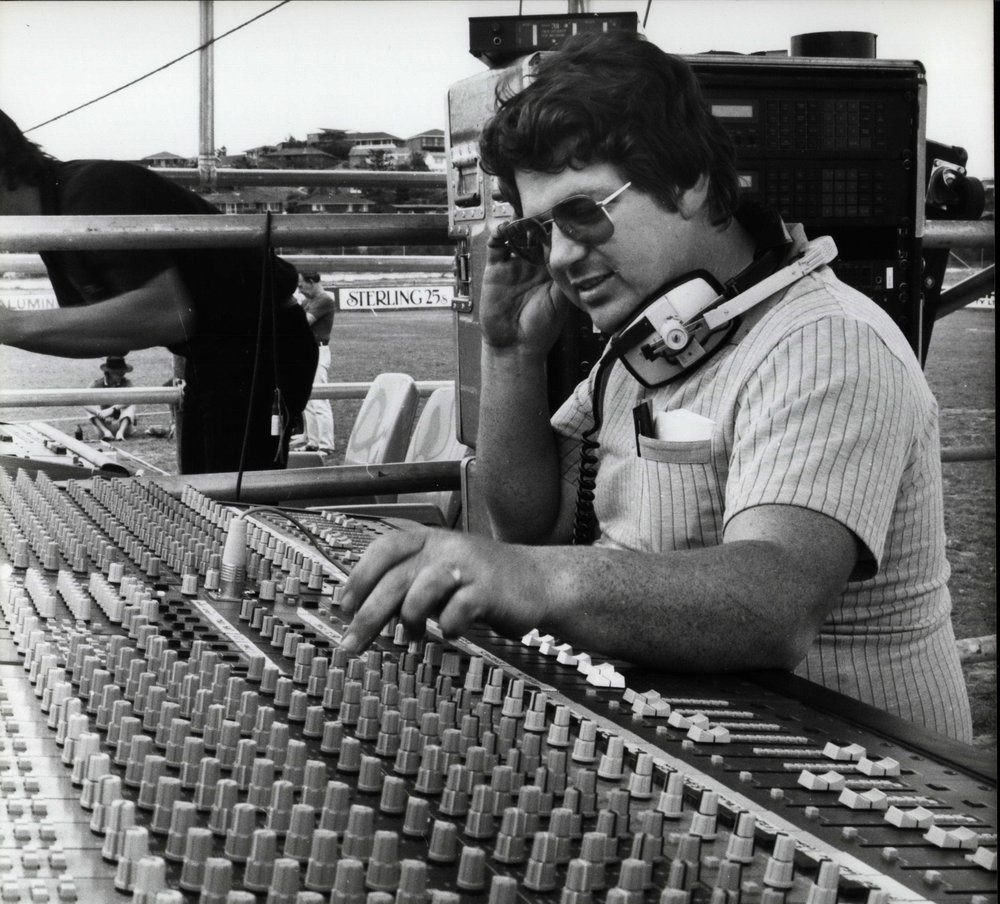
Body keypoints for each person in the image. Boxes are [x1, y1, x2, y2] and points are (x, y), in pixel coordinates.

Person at [340, 31, 973, 742]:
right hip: (688, 745)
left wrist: (539, 579)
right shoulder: (652, 339)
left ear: (689, 180)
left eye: (583, 214)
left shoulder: (827, 342)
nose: (560, 257)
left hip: (850, 784)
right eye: (544, 229)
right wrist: (512, 353)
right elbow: (526, 525)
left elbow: (775, 601)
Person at [0, 109, 316, 474]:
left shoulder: (91, 192)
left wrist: (12, 325)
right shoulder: (55, 216)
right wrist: (11, 326)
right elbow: (107, 336)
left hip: (259, 348)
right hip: (216, 353)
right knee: (209, 502)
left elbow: (168, 314)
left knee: (234, 510)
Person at [292, 271, 336, 454]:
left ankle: (326, 444)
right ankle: (313, 442)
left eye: (302, 286)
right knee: (308, 399)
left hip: (318, 350)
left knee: (319, 399)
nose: (300, 290)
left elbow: (302, 323)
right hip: (308, 350)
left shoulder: (324, 299)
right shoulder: (310, 300)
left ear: (312, 282)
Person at [85, 355, 137, 441]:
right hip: (104, 425)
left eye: (123, 373)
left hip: (122, 424)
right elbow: (83, 401)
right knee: (89, 406)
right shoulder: (97, 384)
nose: (122, 376)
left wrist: (112, 409)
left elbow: (133, 398)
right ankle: (106, 433)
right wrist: (98, 412)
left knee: (130, 405)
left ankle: (120, 433)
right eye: (118, 373)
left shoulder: (127, 383)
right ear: (109, 372)